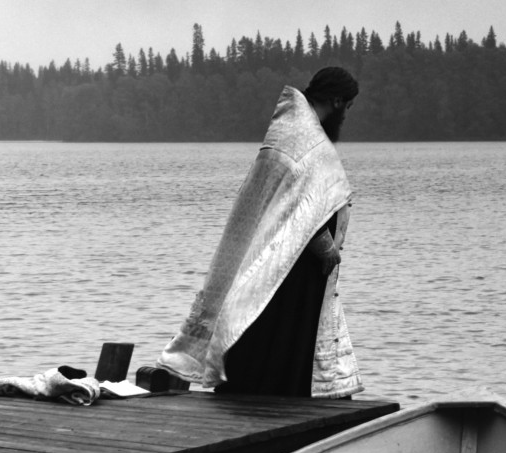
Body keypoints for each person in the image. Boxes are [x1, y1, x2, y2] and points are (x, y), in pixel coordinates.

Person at [155, 67, 361, 397]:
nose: (347, 117)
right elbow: (305, 206)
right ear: (337, 101)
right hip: (296, 262)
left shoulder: (293, 130)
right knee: (280, 327)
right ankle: (280, 395)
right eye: (348, 107)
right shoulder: (306, 138)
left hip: (282, 251)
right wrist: (327, 250)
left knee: (264, 318)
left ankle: (263, 388)